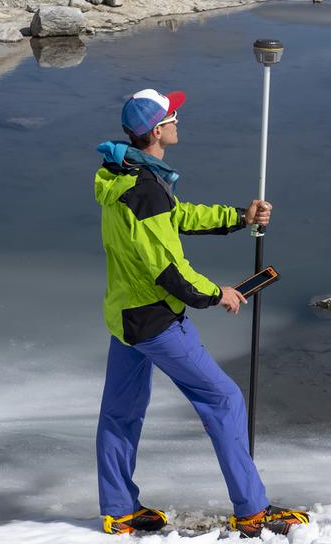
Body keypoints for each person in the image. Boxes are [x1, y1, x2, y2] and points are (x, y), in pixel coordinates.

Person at [92, 88, 309, 537]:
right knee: (223, 399)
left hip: (125, 316)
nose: (178, 122)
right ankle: (252, 512)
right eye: (173, 116)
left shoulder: (124, 174)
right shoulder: (145, 190)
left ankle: (119, 511)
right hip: (155, 320)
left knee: (121, 412)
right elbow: (169, 271)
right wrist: (219, 294)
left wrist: (238, 217)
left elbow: (177, 217)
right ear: (157, 131)